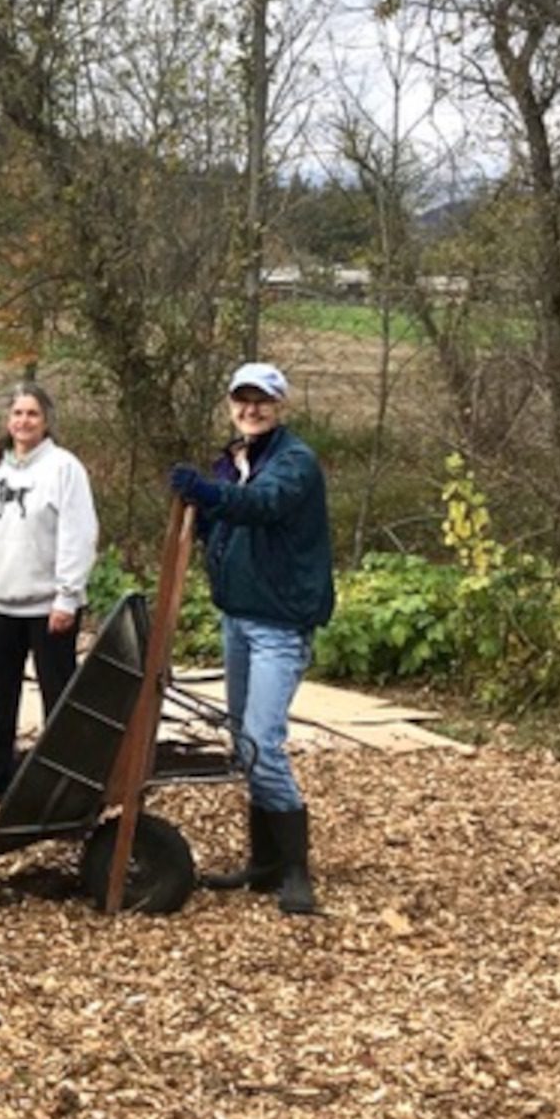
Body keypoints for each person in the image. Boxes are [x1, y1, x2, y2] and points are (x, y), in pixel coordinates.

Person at [168, 360, 334, 917]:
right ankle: (263, 864)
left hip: (279, 623)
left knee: (263, 743)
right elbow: (227, 522)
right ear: (230, 404)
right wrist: (208, 516)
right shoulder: (233, 460)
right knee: (245, 744)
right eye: (241, 399)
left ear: (279, 404)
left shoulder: (294, 463)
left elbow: (263, 506)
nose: (250, 409)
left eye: (261, 399)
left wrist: (211, 495)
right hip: (237, 617)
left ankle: (295, 872)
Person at [0, 381, 100, 800]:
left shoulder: (64, 469)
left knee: (58, 695)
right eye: (17, 413)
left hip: (49, 605)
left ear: (46, 420)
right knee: (0, 692)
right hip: (2, 600)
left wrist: (67, 596)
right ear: (7, 420)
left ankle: (64, 781)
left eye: (32, 413)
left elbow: (78, 535)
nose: (24, 421)